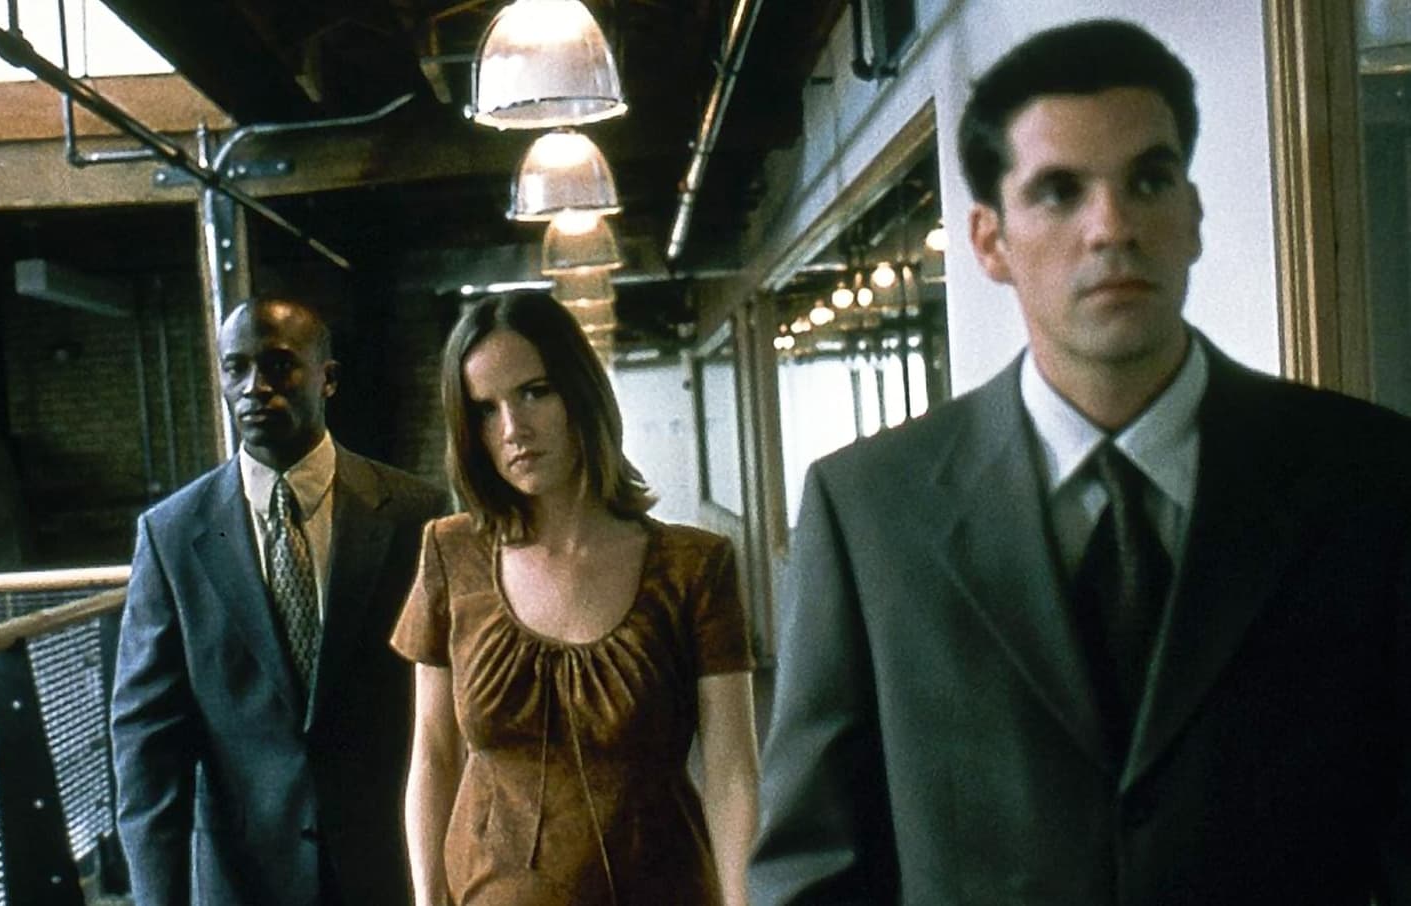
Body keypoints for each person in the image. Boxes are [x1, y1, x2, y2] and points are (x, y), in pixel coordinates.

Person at [750, 19, 1411, 906]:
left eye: (1149, 180)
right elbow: (813, 868)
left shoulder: (1366, 479)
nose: (1112, 227)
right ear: (989, 241)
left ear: (1192, 216)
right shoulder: (870, 512)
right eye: (1060, 191)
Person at [391, 294, 760, 906]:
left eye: (535, 392)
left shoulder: (694, 565)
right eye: (485, 409)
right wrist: (428, 901)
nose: (513, 429)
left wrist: (743, 901)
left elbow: (731, 771)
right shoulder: (450, 554)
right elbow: (432, 755)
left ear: (580, 393)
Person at [111, 296, 449, 905]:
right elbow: (147, 746)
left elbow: (447, 718)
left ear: (328, 378)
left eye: (278, 365)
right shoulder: (172, 535)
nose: (254, 387)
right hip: (244, 881)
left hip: (389, 870)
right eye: (235, 368)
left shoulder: (414, 515)